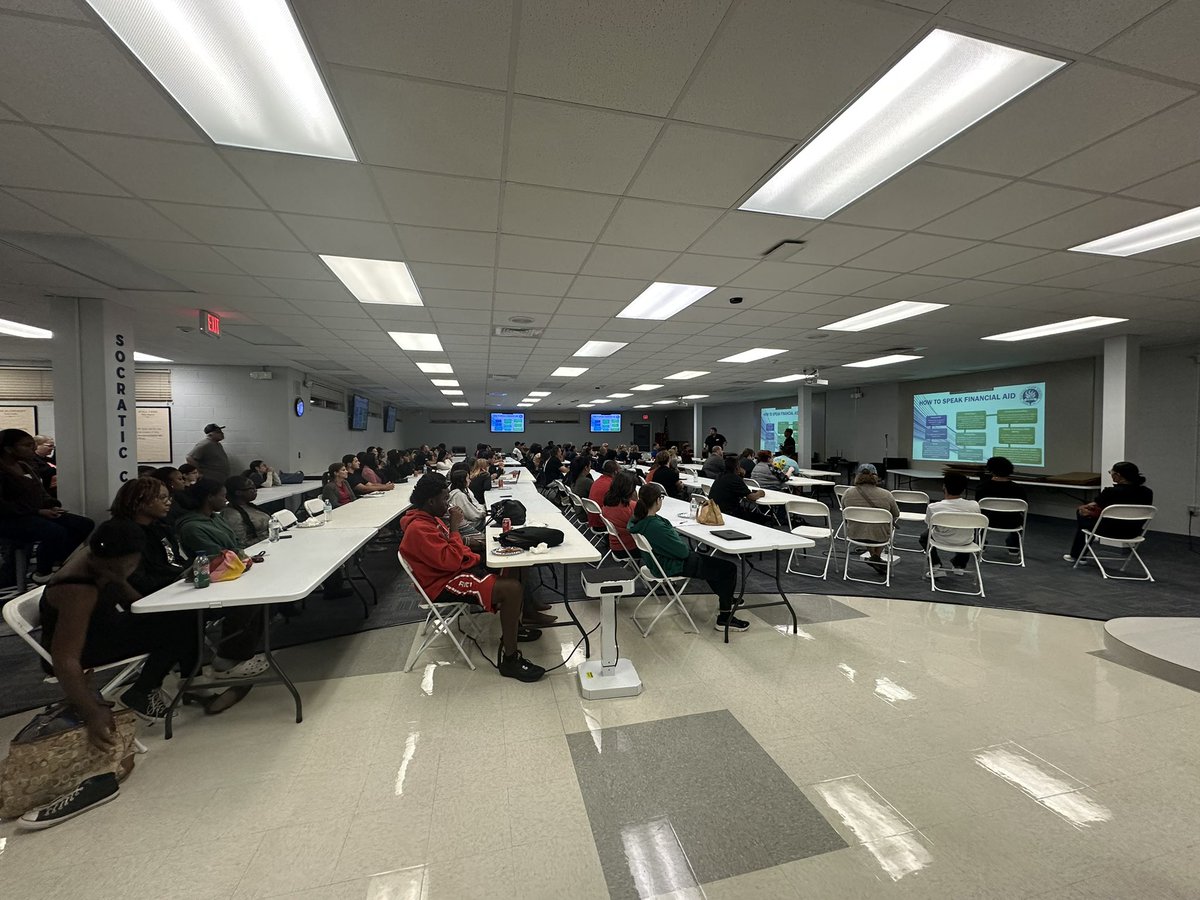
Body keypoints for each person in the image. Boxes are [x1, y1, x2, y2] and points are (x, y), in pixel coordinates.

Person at [40, 519, 195, 730]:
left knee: (183, 614)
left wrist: (119, 581)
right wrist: (92, 712)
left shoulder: (100, 558)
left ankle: (183, 682)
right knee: (180, 626)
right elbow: (65, 658)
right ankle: (143, 691)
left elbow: (131, 602)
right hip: (82, 649)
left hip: (102, 629)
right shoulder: (78, 590)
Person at [398, 474, 548, 682]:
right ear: (431, 501)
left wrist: (478, 544)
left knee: (515, 564)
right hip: (441, 583)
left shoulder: (429, 519)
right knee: (511, 589)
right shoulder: (419, 528)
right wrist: (455, 528)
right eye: (444, 499)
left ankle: (514, 629)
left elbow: (451, 549)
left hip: (450, 572)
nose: (448, 503)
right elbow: (450, 560)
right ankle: (510, 659)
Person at [174, 479, 267, 679]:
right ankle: (228, 658)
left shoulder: (215, 518)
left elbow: (234, 545)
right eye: (222, 496)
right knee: (252, 601)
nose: (226, 500)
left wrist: (241, 558)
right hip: (212, 582)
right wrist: (239, 558)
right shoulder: (192, 527)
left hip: (234, 572)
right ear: (209, 498)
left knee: (264, 598)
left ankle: (240, 654)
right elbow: (215, 557)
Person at [628, 482, 748, 631]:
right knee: (728, 569)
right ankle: (724, 618)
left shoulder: (639, 520)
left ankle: (726, 598)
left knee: (713, 567)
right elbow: (683, 552)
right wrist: (674, 538)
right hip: (671, 565)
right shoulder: (655, 526)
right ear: (658, 500)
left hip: (660, 562)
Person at [0, 429, 94, 583]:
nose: (32, 449)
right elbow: (3, 506)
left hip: (34, 514)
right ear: (8, 449)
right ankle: (42, 572)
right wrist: (37, 511)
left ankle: (58, 561)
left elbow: (40, 492)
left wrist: (51, 505)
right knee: (55, 532)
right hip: (10, 519)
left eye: (32, 445)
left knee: (83, 524)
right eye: (26, 445)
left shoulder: (25, 466)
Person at [110, 476, 188, 601]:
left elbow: (175, 561)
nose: (168, 502)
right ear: (140, 500)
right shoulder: (123, 534)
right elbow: (139, 581)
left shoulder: (160, 528)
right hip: (153, 597)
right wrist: (179, 578)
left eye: (168, 498)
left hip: (173, 589)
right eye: (162, 498)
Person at [1065, 461, 1153, 563]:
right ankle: (1078, 553)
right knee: (1089, 517)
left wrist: (1083, 508)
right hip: (1133, 532)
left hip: (1108, 531)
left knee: (1082, 513)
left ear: (1118, 475)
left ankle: (1078, 555)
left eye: (1111, 473)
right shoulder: (1147, 492)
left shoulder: (1110, 492)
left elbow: (1093, 506)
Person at [842, 463, 900, 571]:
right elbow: (896, 514)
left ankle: (874, 556)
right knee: (883, 524)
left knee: (865, 525)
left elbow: (844, 511)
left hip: (855, 533)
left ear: (857, 476)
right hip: (880, 536)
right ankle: (876, 557)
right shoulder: (886, 494)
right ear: (876, 476)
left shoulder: (848, 493)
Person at [921, 472, 981, 576]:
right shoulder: (974, 505)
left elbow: (929, 524)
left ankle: (936, 566)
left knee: (924, 537)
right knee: (970, 533)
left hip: (941, 540)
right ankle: (959, 566)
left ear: (944, 486)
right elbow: (977, 525)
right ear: (964, 489)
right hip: (966, 541)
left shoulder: (934, 507)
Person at [976, 456, 1026, 557]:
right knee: (1021, 518)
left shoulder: (982, 487)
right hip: (1012, 523)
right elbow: (1024, 508)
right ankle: (1014, 547)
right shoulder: (1019, 489)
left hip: (987, 521)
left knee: (976, 516)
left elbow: (977, 506)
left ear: (990, 470)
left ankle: (981, 544)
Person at [708, 455, 776, 527]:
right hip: (729, 513)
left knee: (748, 512)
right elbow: (752, 497)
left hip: (714, 511)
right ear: (737, 468)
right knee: (766, 519)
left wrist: (741, 475)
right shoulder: (735, 479)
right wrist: (760, 493)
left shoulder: (720, 476)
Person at [222, 476, 273, 547]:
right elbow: (240, 544)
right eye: (251, 488)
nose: (256, 490)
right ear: (238, 492)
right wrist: (269, 536)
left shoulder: (250, 506)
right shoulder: (233, 516)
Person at [601, 470, 638, 556]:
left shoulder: (607, 503)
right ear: (630, 489)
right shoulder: (631, 507)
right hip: (630, 548)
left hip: (615, 545)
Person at [448, 468, 486, 538]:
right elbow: (474, 516)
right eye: (468, 478)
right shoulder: (459, 495)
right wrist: (484, 511)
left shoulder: (460, 492)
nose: (470, 480)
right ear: (463, 481)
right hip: (468, 525)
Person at [587, 460, 618, 530]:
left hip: (593, 520)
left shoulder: (597, 481)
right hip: (602, 523)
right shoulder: (612, 485)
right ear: (615, 472)